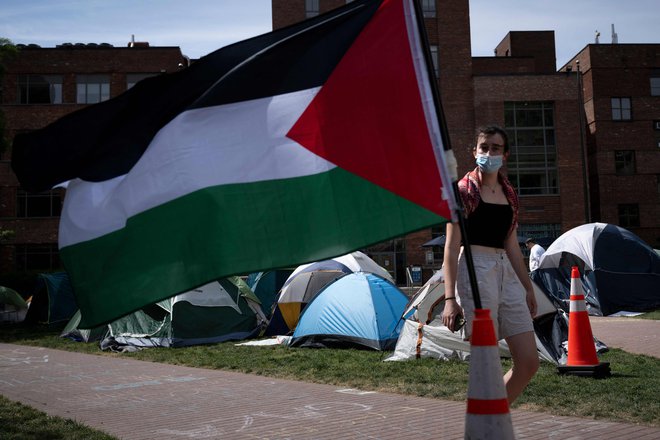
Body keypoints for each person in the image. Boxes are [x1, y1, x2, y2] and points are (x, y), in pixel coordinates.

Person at [442, 125, 539, 404]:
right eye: (484, 147)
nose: (489, 153)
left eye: (495, 148)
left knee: (529, 362)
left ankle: (490, 415)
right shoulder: (463, 191)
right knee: (487, 363)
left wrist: (528, 288)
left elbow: (511, 244)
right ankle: (487, 426)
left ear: (505, 155)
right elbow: (450, 247)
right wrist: (450, 299)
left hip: (506, 271)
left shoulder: (509, 193)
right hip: (474, 267)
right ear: (474, 152)